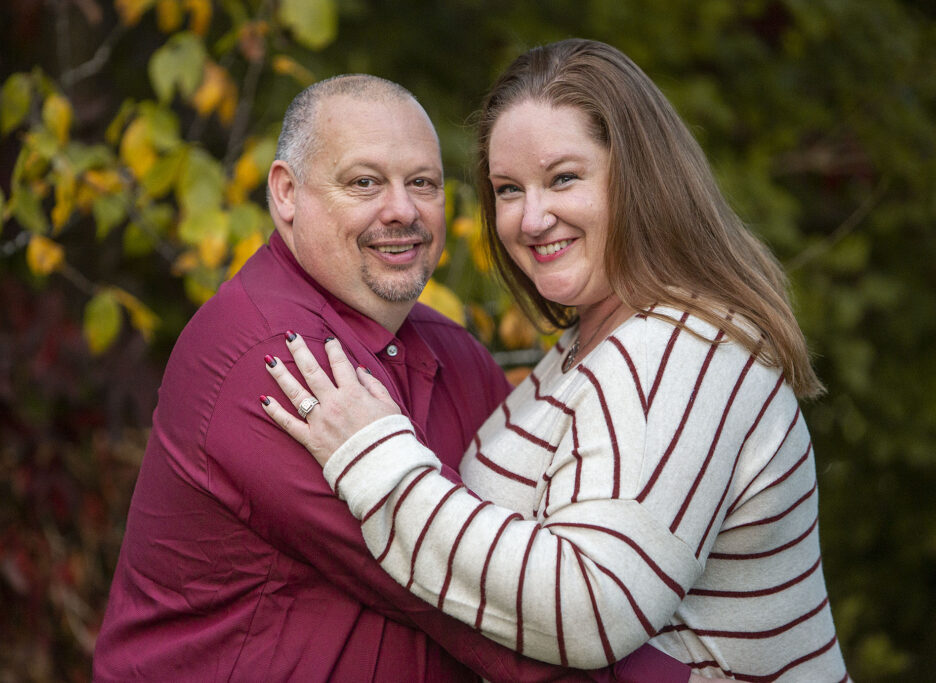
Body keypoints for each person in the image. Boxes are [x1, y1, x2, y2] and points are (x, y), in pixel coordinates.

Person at [262, 41, 850, 681]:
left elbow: (590, 609)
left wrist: (377, 459)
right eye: (509, 189)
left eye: (563, 178)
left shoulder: (681, 350)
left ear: (640, 176)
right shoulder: (590, 343)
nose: (532, 218)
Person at [93, 73, 694, 681]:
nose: (402, 210)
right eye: (364, 183)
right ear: (286, 193)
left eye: (423, 183)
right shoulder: (275, 359)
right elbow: (469, 604)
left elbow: (540, 550)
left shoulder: (455, 353)